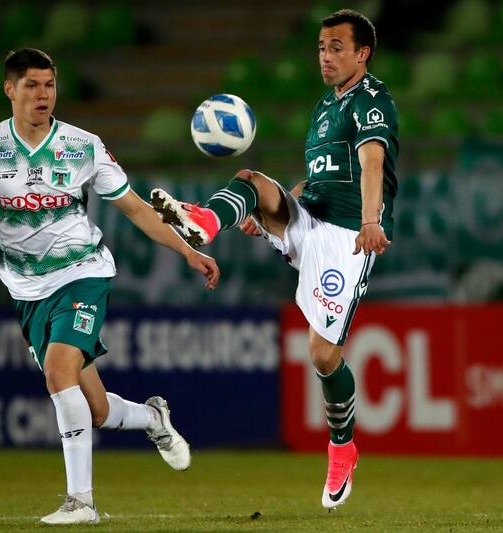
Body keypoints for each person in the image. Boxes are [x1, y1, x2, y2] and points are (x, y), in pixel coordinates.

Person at [0, 48, 220, 525]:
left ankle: (81, 503)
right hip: (26, 290)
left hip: (84, 271)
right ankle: (152, 418)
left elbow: (137, 209)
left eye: (49, 84)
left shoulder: (83, 146)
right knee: (95, 409)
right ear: (9, 89)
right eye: (32, 85)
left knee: (58, 373)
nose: (43, 94)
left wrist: (188, 250)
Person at [150, 9, 397, 511]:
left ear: (362, 53)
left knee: (323, 355)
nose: (325, 57)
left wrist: (372, 221)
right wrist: (271, 211)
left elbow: (372, 160)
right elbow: (317, 181)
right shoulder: (323, 108)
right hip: (312, 219)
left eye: (336, 48)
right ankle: (207, 222)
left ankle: (343, 447)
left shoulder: (373, 99)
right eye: (321, 48)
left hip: (349, 234)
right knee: (252, 181)